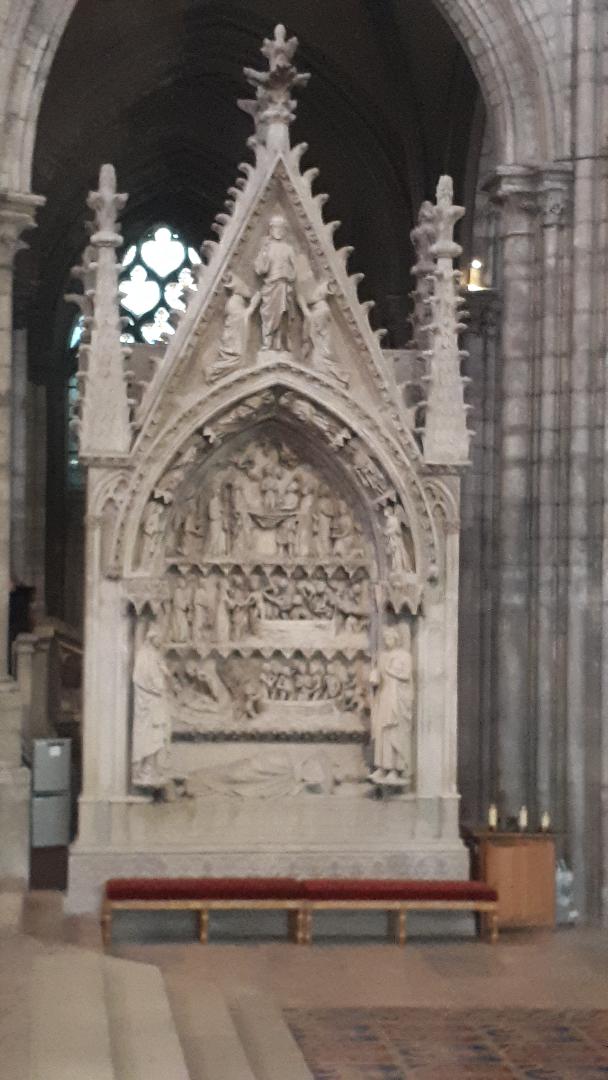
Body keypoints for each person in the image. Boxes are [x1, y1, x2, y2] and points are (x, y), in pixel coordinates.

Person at [369, 627, 413, 784]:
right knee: (382, 732)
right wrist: (375, 674)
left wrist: (389, 670)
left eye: (389, 638)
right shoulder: (382, 656)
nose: (387, 641)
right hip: (384, 695)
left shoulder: (404, 656)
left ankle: (395, 769)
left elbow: (407, 675)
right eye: (385, 638)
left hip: (397, 697)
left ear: (396, 639)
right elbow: (378, 677)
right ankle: (382, 767)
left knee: (394, 732)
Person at [132, 628, 172, 788]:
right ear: (152, 637)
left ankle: (152, 768)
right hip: (148, 703)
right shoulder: (144, 655)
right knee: (150, 736)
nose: (161, 642)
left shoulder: (154, 654)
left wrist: (165, 673)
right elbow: (141, 678)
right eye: (159, 638)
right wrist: (157, 687)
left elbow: (162, 674)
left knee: (157, 735)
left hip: (155, 702)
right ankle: (146, 770)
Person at [254, 214, 297, 350]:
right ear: (271, 230)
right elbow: (260, 269)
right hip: (270, 285)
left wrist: (289, 275)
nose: (278, 230)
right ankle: (268, 341)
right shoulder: (267, 248)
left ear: (284, 230)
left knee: (283, 312)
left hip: (283, 285)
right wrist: (264, 254)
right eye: (275, 228)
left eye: (281, 228)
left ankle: (279, 341)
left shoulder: (289, 249)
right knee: (267, 314)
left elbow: (295, 269)